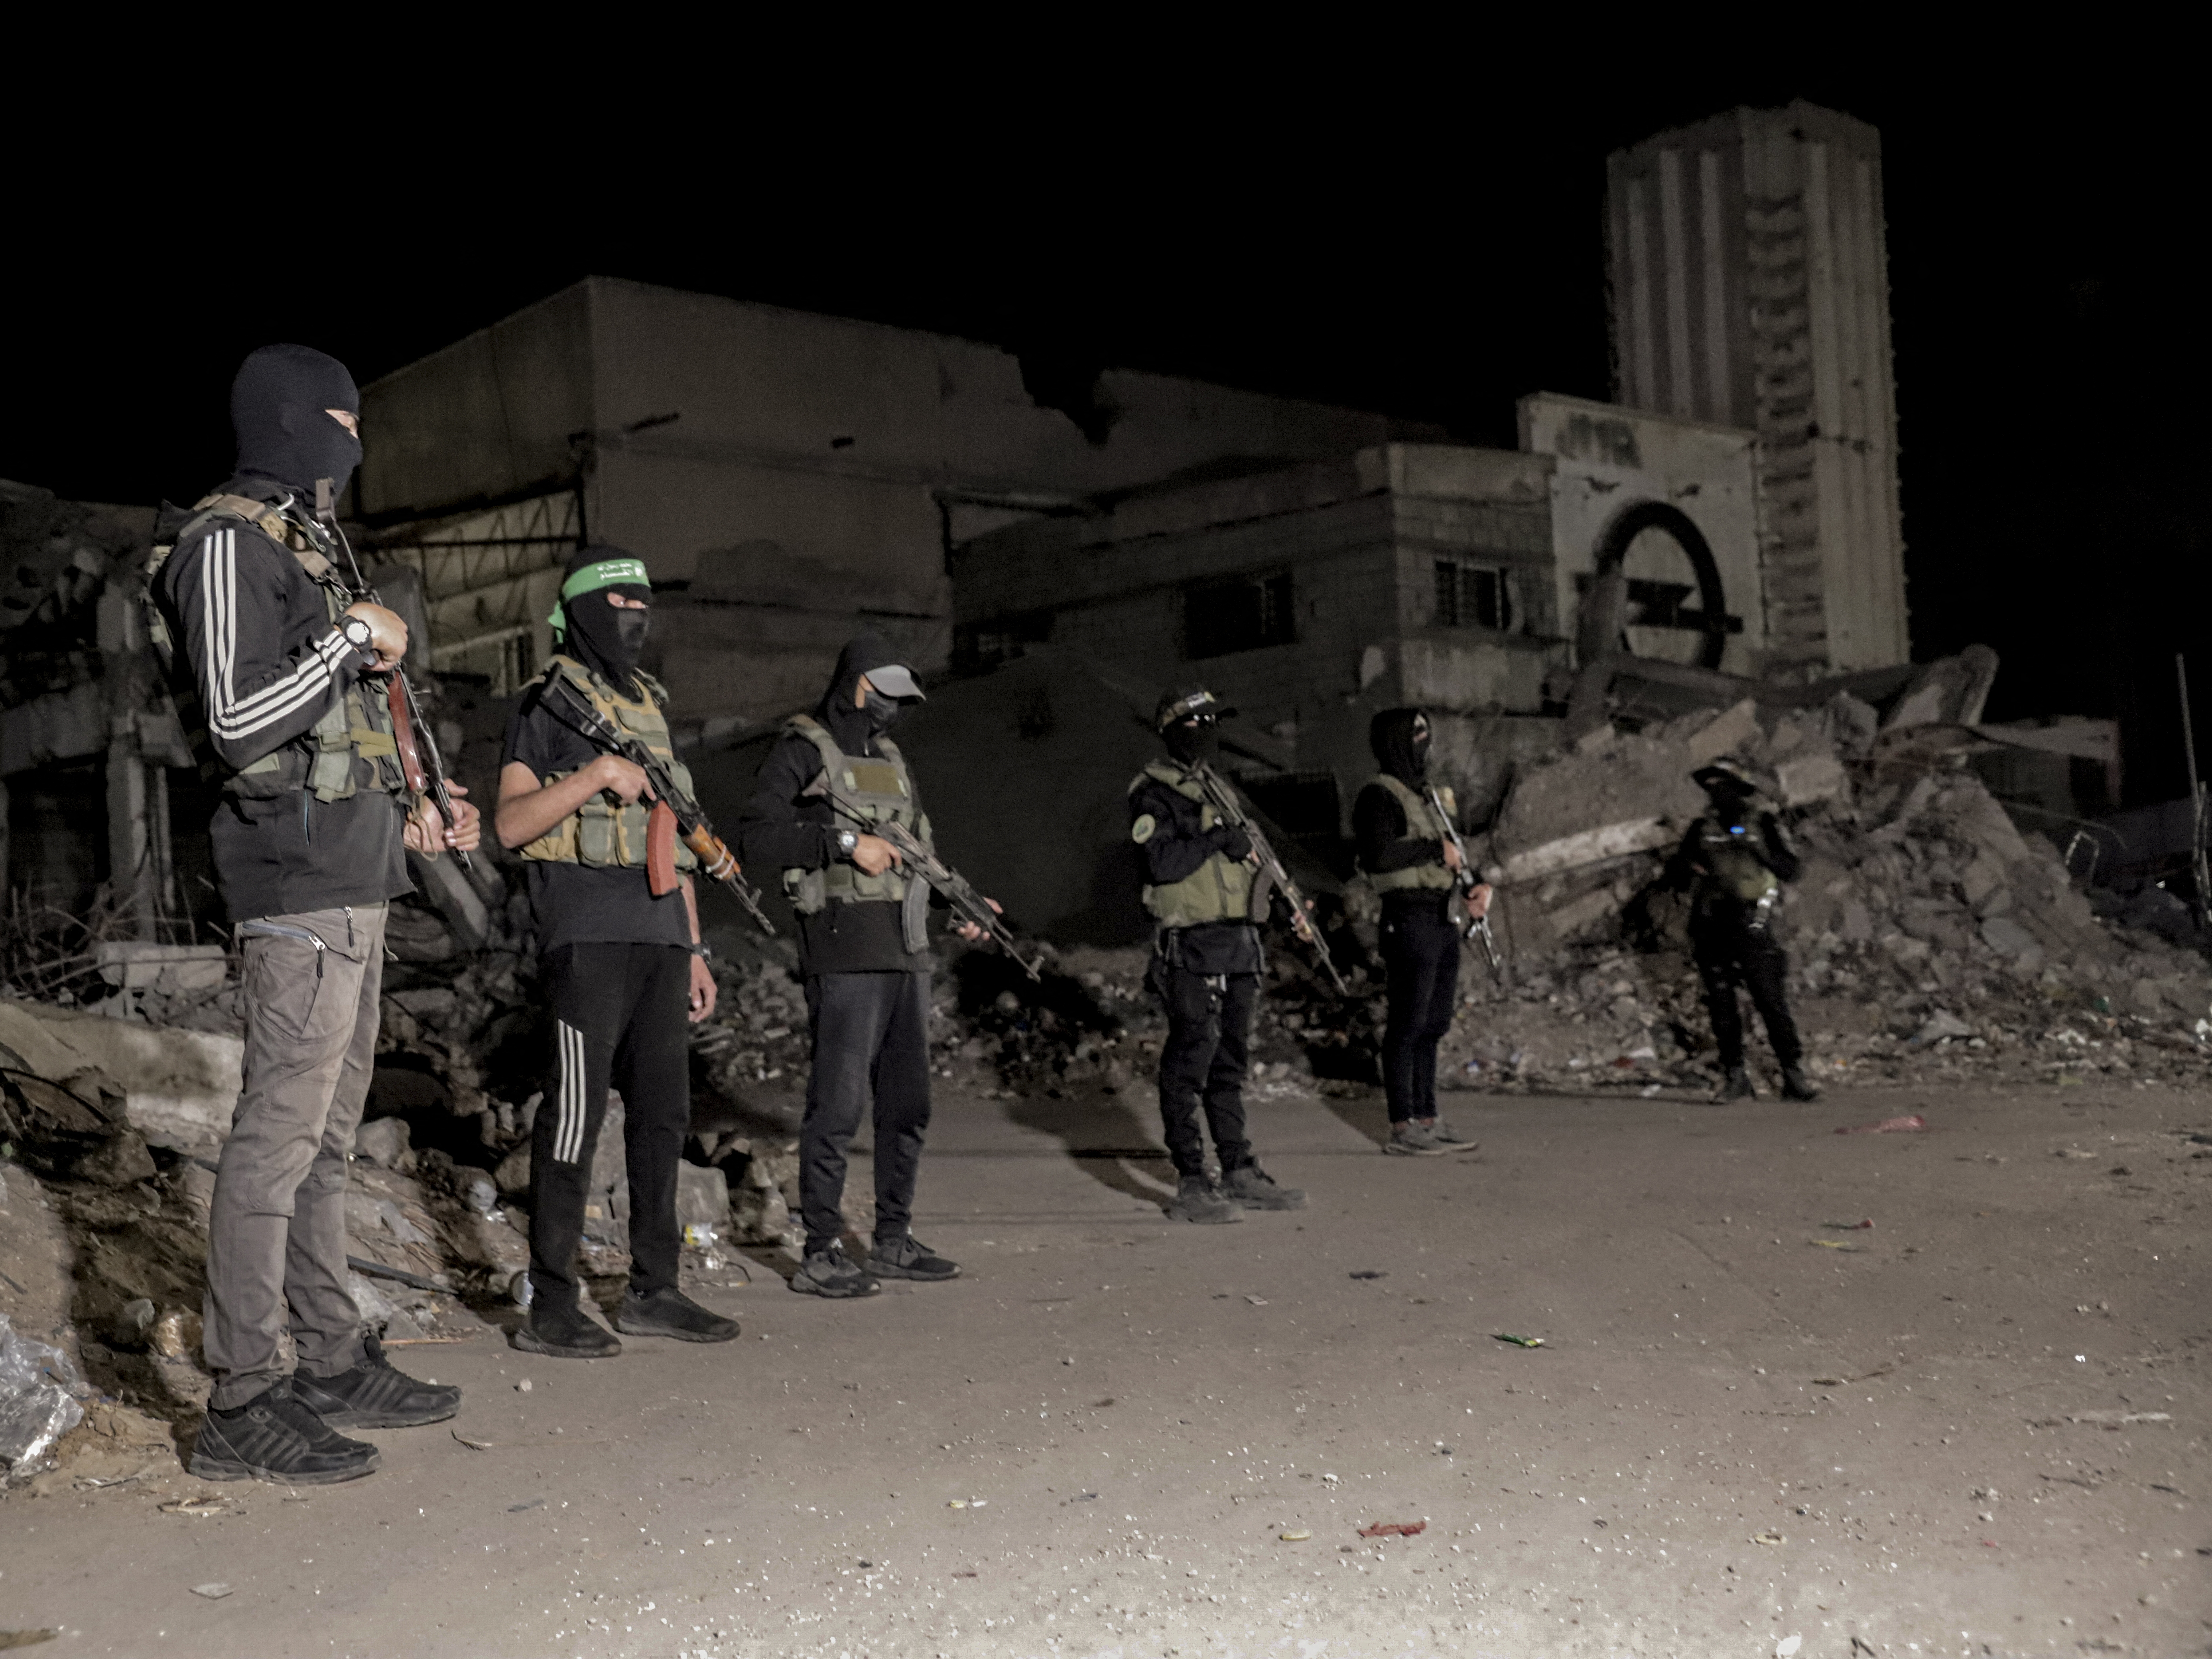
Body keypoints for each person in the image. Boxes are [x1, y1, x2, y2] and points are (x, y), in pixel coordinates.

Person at [151, 344, 481, 1485]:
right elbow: (239, 723)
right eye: (340, 421)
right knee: (274, 1146)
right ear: (291, 421)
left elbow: (342, 726)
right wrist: (351, 637)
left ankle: (331, 1358)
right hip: (294, 889)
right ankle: (242, 1400)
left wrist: (420, 804)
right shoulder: (223, 546)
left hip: (355, 876)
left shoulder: (303, 543)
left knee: (326, 1145)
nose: (353, 442)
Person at [494, 545, 741, 1356]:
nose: (633, 619)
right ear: (580, 613)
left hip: (662, 937)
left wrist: (694, 945)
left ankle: (653, 1290)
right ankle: (551, 1302)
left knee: (663, 1118)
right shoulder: (548, 703)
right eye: (617, 606)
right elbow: (511, 825)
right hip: (588, 935)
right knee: (575, 1116)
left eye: (643, 606)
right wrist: (597, 773)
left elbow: (670, 831)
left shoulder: (649, 707)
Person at [735, 634, 989, 1297]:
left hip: (906, 948)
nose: (893, 710)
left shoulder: (892, 760)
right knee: (838, 1105)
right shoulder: (802, 749)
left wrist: (960, 902)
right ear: (856, 686)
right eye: (886, 695)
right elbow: (757, 834)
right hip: (843, 948)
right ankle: (820, 1251)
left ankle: (892, 1241)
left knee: (908, 1106)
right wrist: (845, 842)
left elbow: (918, 856)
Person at [1127, 688, 1307, 1223]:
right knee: (1190, 1061)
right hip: (1190, 945)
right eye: (1195, 722)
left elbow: (1252, 861)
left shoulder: (1218, 789)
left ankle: (1238, 1168)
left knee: (1230, 1061)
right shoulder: (1154, 794)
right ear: (1170, 730)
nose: (1206, 731)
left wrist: (1288, 906)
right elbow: (1160, 864)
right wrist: (1216, 840)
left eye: (1213, 720)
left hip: (1239, 943)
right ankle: (1191, 1179)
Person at [1353, 709, 1487, 1155]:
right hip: (1407, 917)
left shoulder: (1427, 795)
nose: (1424, 743)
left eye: (1426, 732)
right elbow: (1378, 855)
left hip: (1440, 915)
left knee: (1433, 1024)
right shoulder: (1378, 796)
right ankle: (1403, 1125)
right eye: (1414, 734)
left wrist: (1476, 886)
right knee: (1407, 1024)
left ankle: (1428, 1116)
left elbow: (1454, 854)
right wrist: (1434, 850)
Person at [1677, 757, 1819, 1103]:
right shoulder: (1701, 829)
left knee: (1769, 999)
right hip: (1712, 920)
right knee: (1721, 1004)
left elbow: (1791, 869)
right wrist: (1692, 869)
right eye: (1710, 787)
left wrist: (1760, 852)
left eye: (1722, 785)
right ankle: (1735, 1076)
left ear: (1738, 789)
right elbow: (1679, 874)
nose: (1715, 793)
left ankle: (1792, 1074)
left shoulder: (1763, 824)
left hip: (1752, 919)